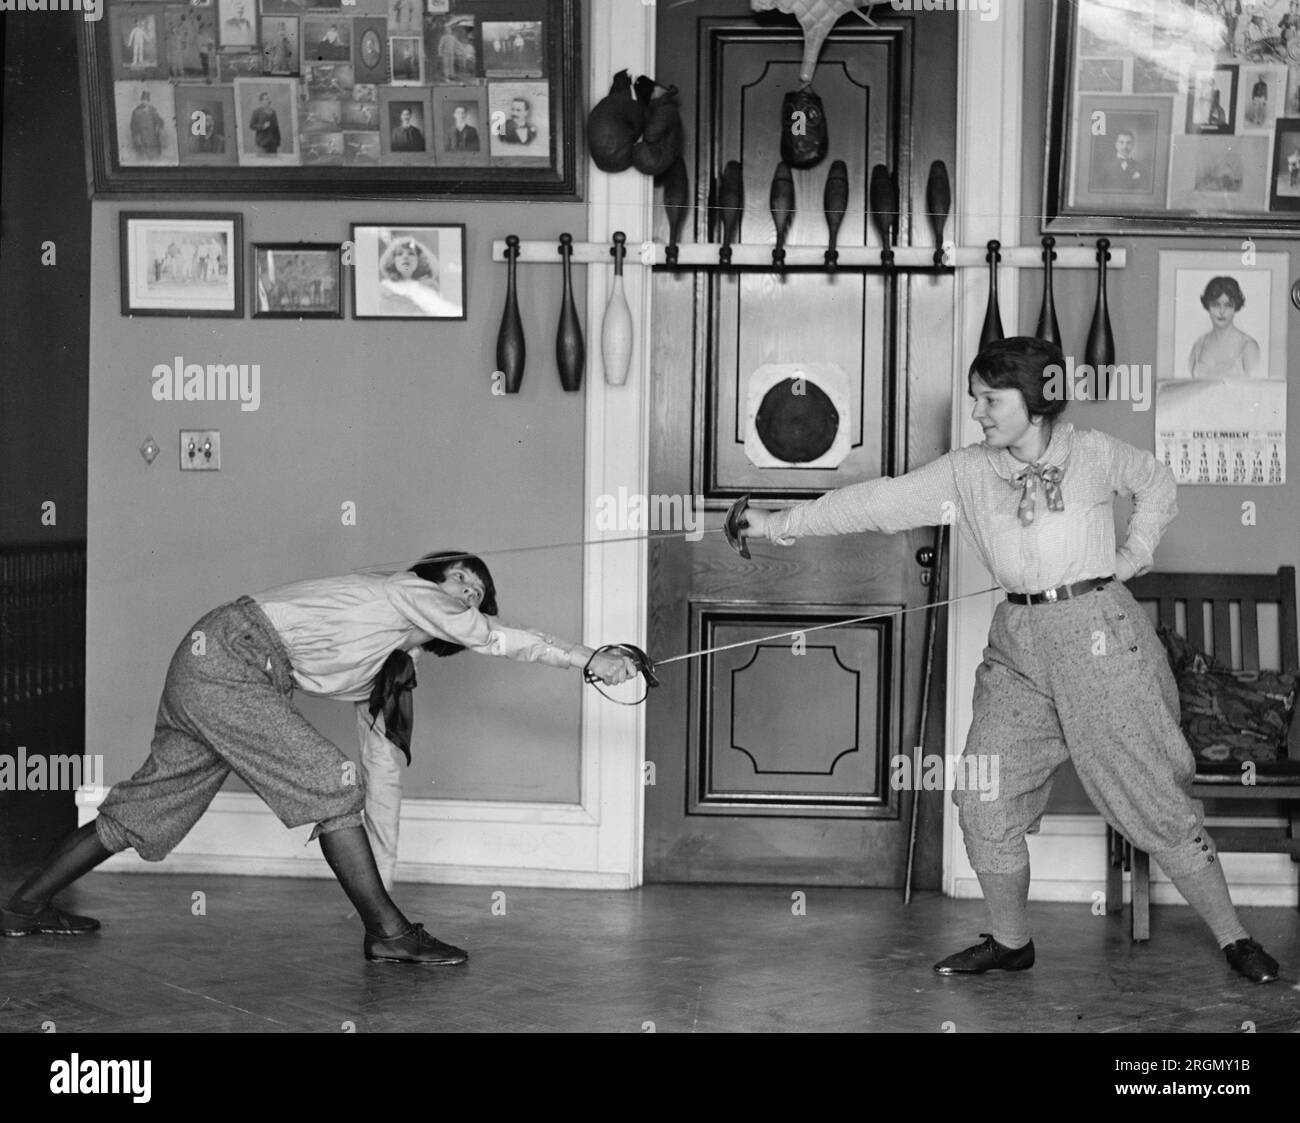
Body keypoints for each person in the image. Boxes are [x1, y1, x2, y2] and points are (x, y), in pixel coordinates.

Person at [735, 337, 1282, 985]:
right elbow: (876, 503)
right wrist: (776, 523)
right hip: (1017, 640)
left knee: (1150, 797)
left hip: (1096, 634)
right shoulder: (967, 471)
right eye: (975, 399)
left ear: (1037, 400)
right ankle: (1010, 940)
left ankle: (1235, 937)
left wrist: (1132, 557)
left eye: (991, 399)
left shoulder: (1092, 454)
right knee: (982, 793)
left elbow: (1157, 483)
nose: (980, 412)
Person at [0, 552, 636, 964]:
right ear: (432, 578)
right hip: (231, 659)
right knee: (331, 785)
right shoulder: (404, 590)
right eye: (461, 578)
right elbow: (498, 637)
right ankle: (387, 933)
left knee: (143, 811)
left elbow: (380, 761)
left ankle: (23, 908)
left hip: (216, 665)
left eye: (479, 589)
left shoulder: (382, 659)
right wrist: (589, 658)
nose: (469, 591)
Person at [1188, 276, 1263, 379]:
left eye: (1228, 305)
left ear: (1235, 307)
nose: (1222, 311)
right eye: (1215, 305)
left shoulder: (1248, 346)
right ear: (1208, 306)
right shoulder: (1199, 345)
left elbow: (1256, 391)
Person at [129, 90, 164, 159]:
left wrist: (158, 127)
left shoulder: (153, 110)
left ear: (148, 101)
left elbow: (159, 121)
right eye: (143, 100)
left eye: (146, 100)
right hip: (142, 135)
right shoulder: (136, 111)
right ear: (141, 100)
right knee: (142, 154)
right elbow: (133, 125)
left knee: (154, 153)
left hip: (152, 135)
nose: (144, 102)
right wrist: (136, 135)